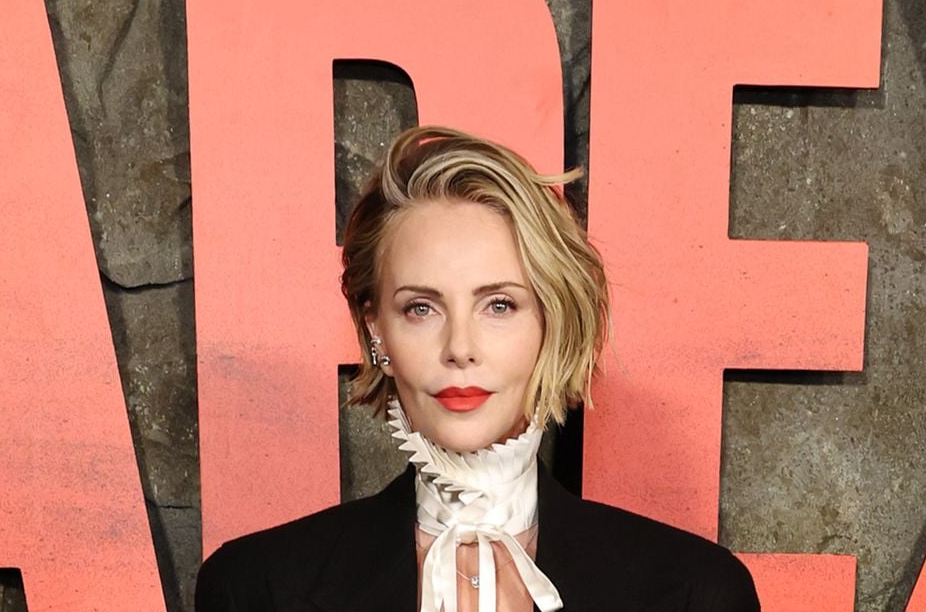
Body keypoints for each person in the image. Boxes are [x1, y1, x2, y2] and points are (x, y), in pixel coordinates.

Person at [193, 125, 762, 612]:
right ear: (376, 330)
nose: (459, 348)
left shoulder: (698, 593)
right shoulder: (254, 588)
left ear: (551, 323)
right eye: (421, 308)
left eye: (499, 305)